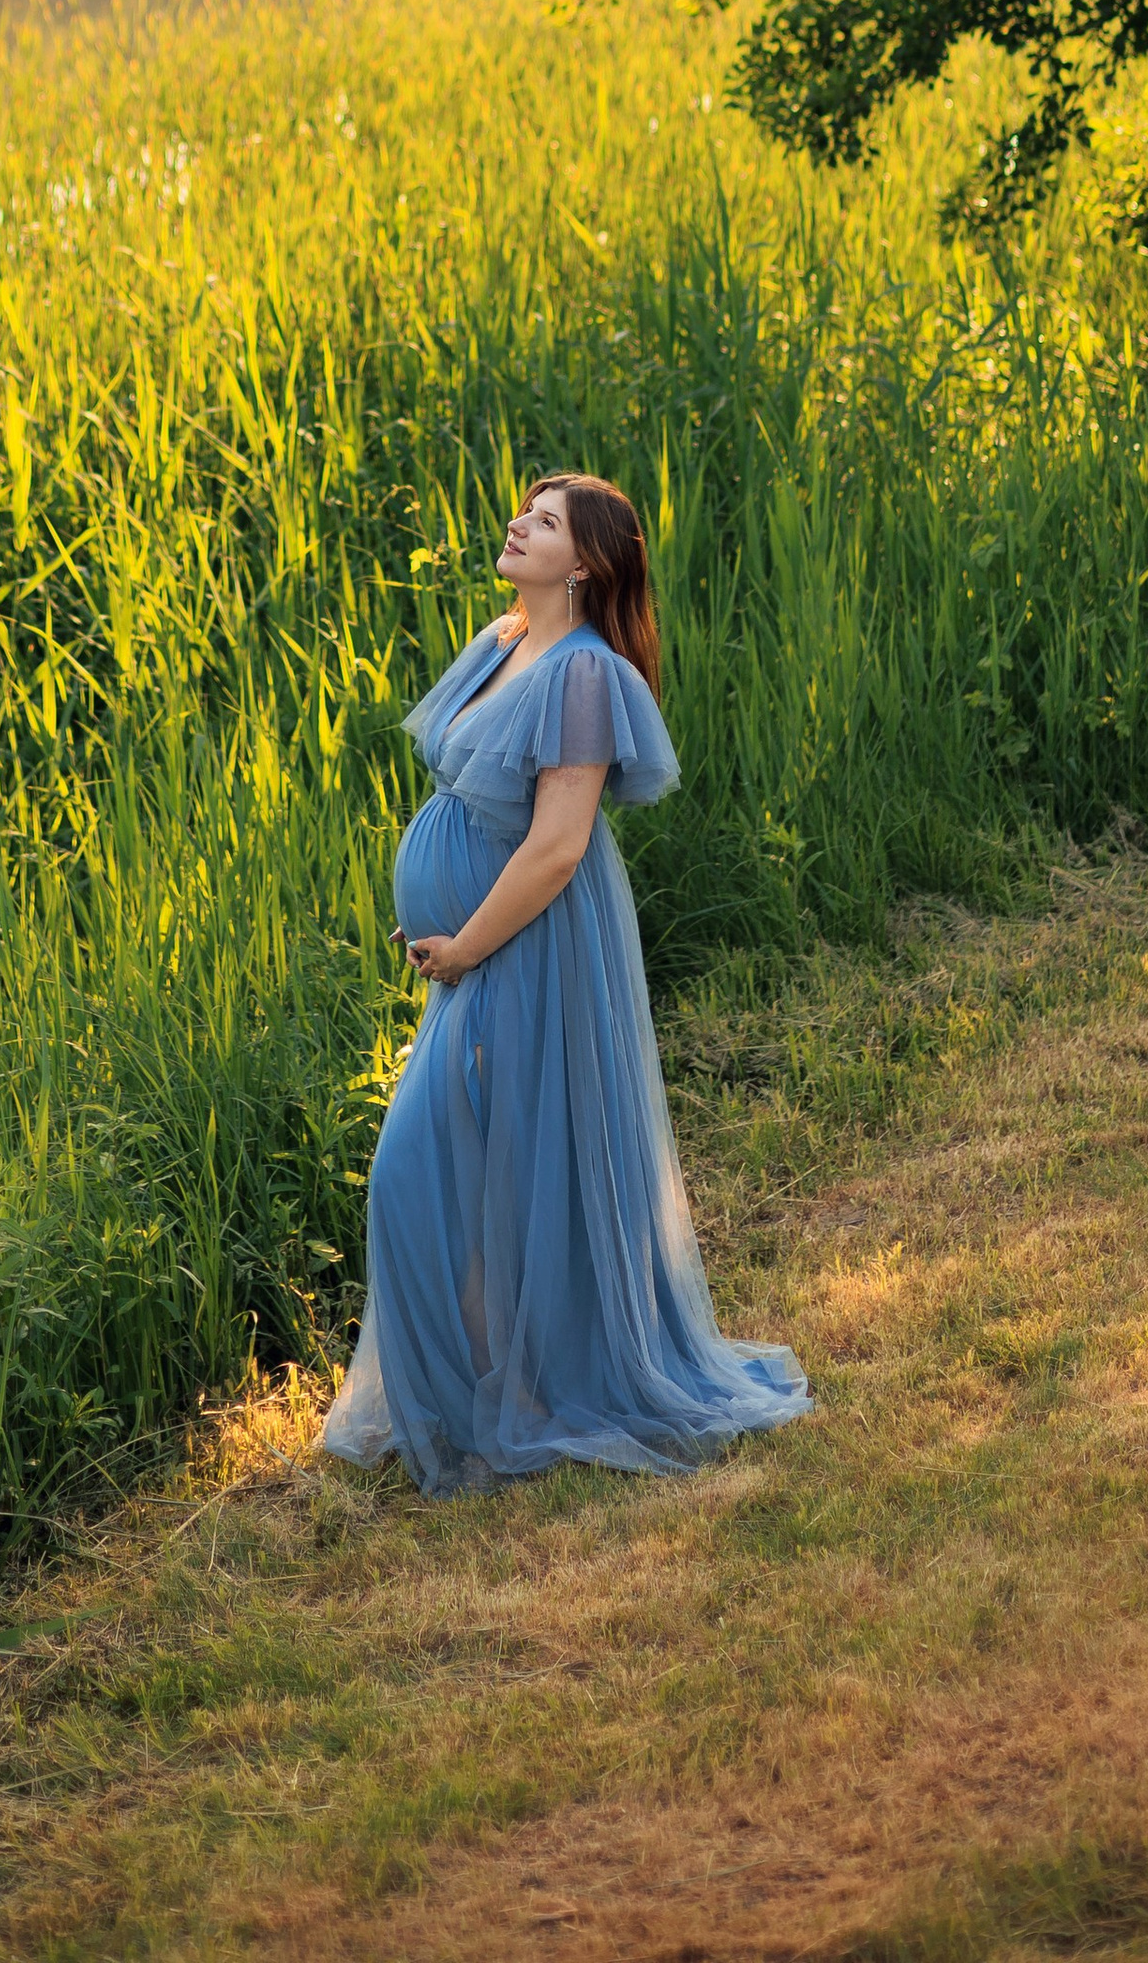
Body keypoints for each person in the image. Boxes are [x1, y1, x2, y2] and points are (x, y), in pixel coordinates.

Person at [320, 470, 811, 1495]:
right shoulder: (502, 645)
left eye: (542, 522)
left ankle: (521, 1402)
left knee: (432, 1168)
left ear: (583, 562)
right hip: (470, 954)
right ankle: (494, 1395)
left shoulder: (584, 676)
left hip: (528, 943)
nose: (517, 523)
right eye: (523, 511)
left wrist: (463, 946)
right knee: (465, 1168)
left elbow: (554, 849)